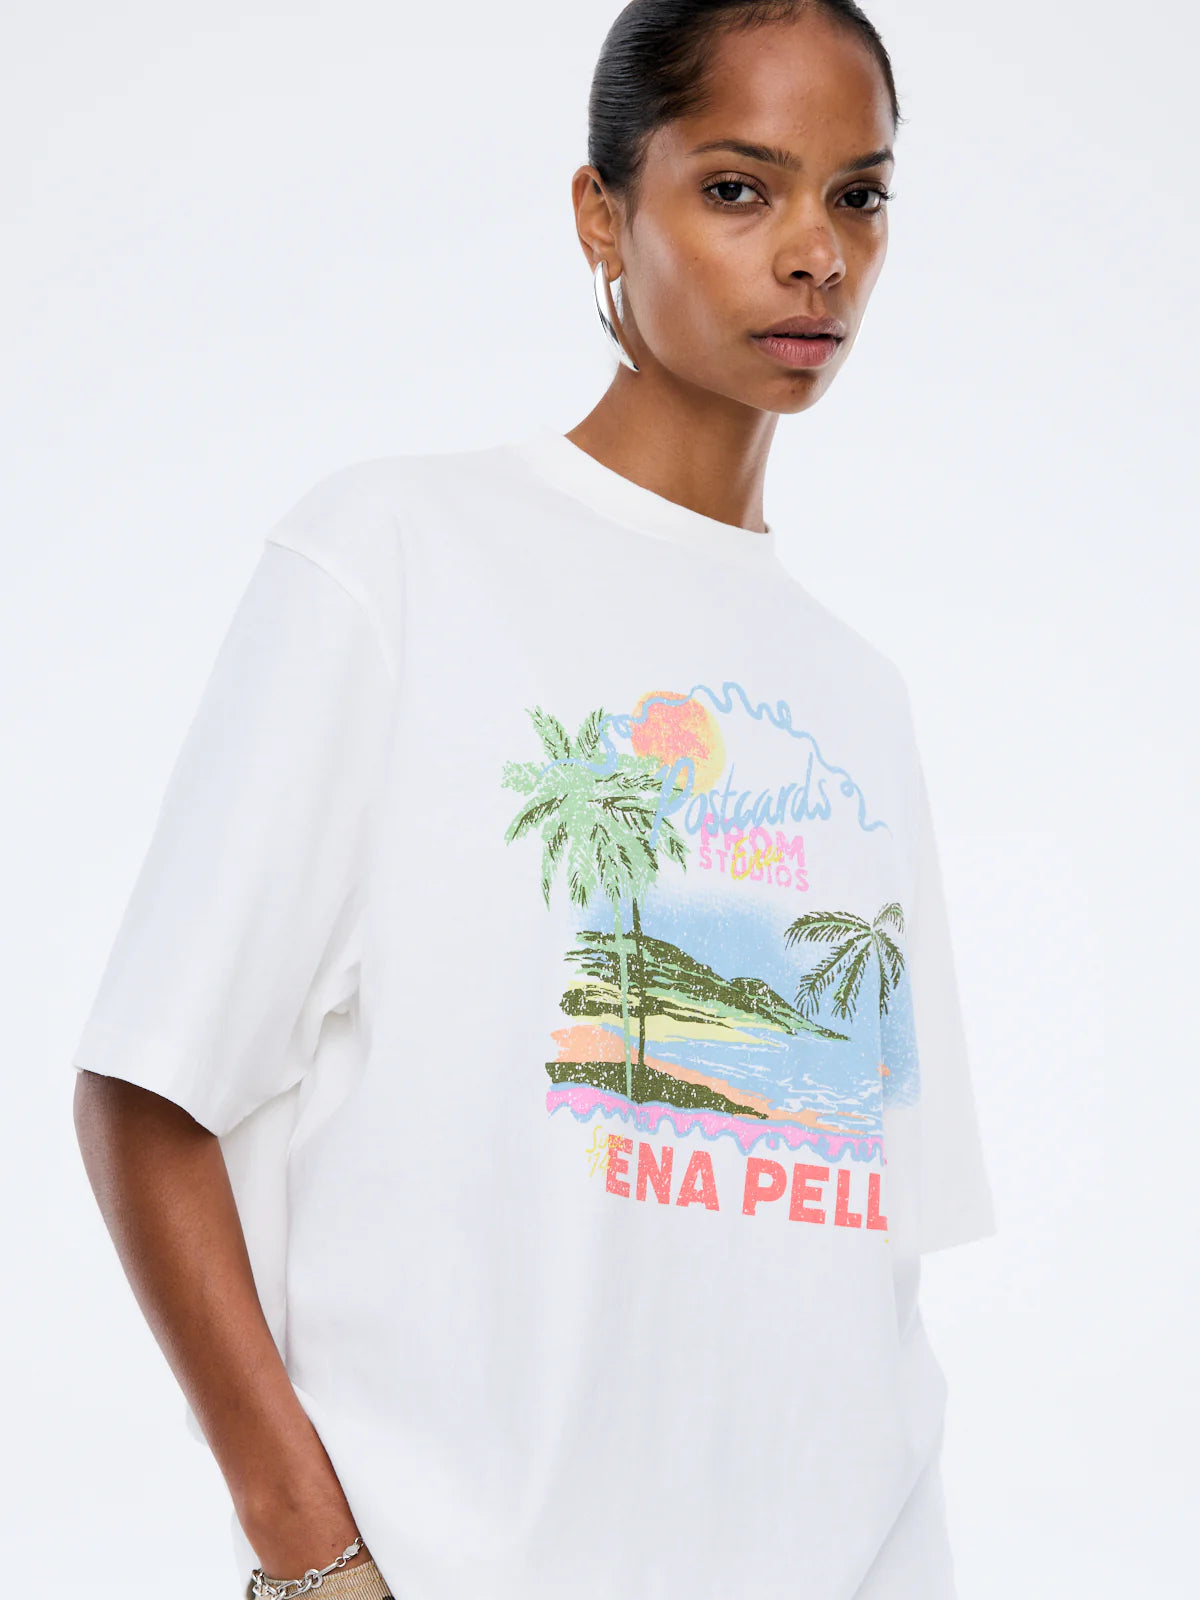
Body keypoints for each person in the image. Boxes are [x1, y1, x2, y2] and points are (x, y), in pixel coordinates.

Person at [71, 2, 997, 1596]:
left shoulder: (859, 694)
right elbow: (151, 1092)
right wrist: (313, 1557)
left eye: (860, 195)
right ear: (601, 213)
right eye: (738, 188)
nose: (816, 254)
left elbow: (863, 1258)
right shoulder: (396, 557)